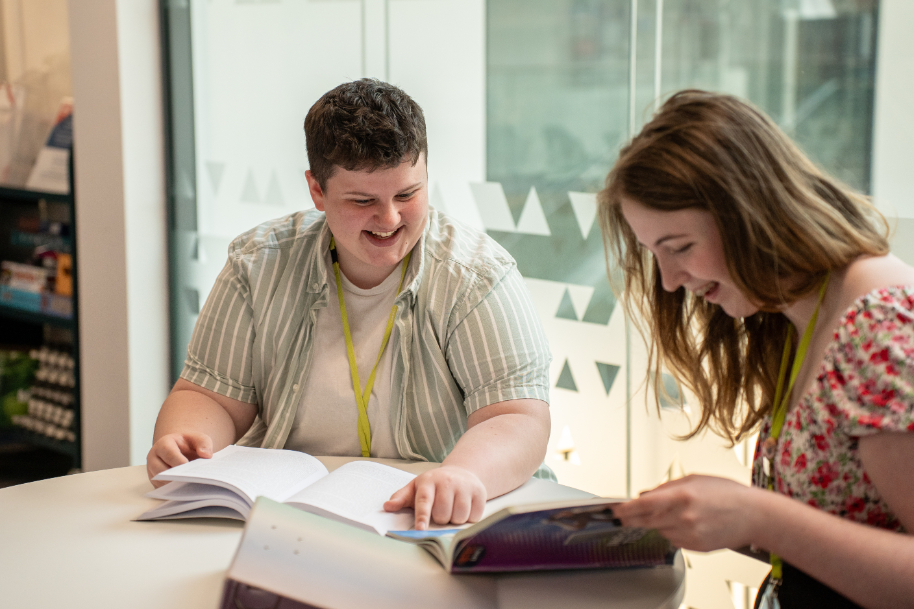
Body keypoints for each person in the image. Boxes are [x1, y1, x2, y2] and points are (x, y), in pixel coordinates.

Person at [146, 78, 553, 530]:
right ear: (317, 191)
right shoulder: (257, 263)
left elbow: (518, 417)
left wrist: (463, 474)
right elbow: (209, 396)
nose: (390, 219)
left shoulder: (478, 276)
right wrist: (188, 442)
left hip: (430, 518)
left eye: (407, 194)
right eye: (363, 201)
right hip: (286, 515)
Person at [599, 90, 914, 608]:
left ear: (751, 214)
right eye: (656, 255)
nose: (672, 281)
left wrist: (760, 516)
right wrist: (713, 518)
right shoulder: (799, 316)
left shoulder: (876, 330)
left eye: (679, 248)